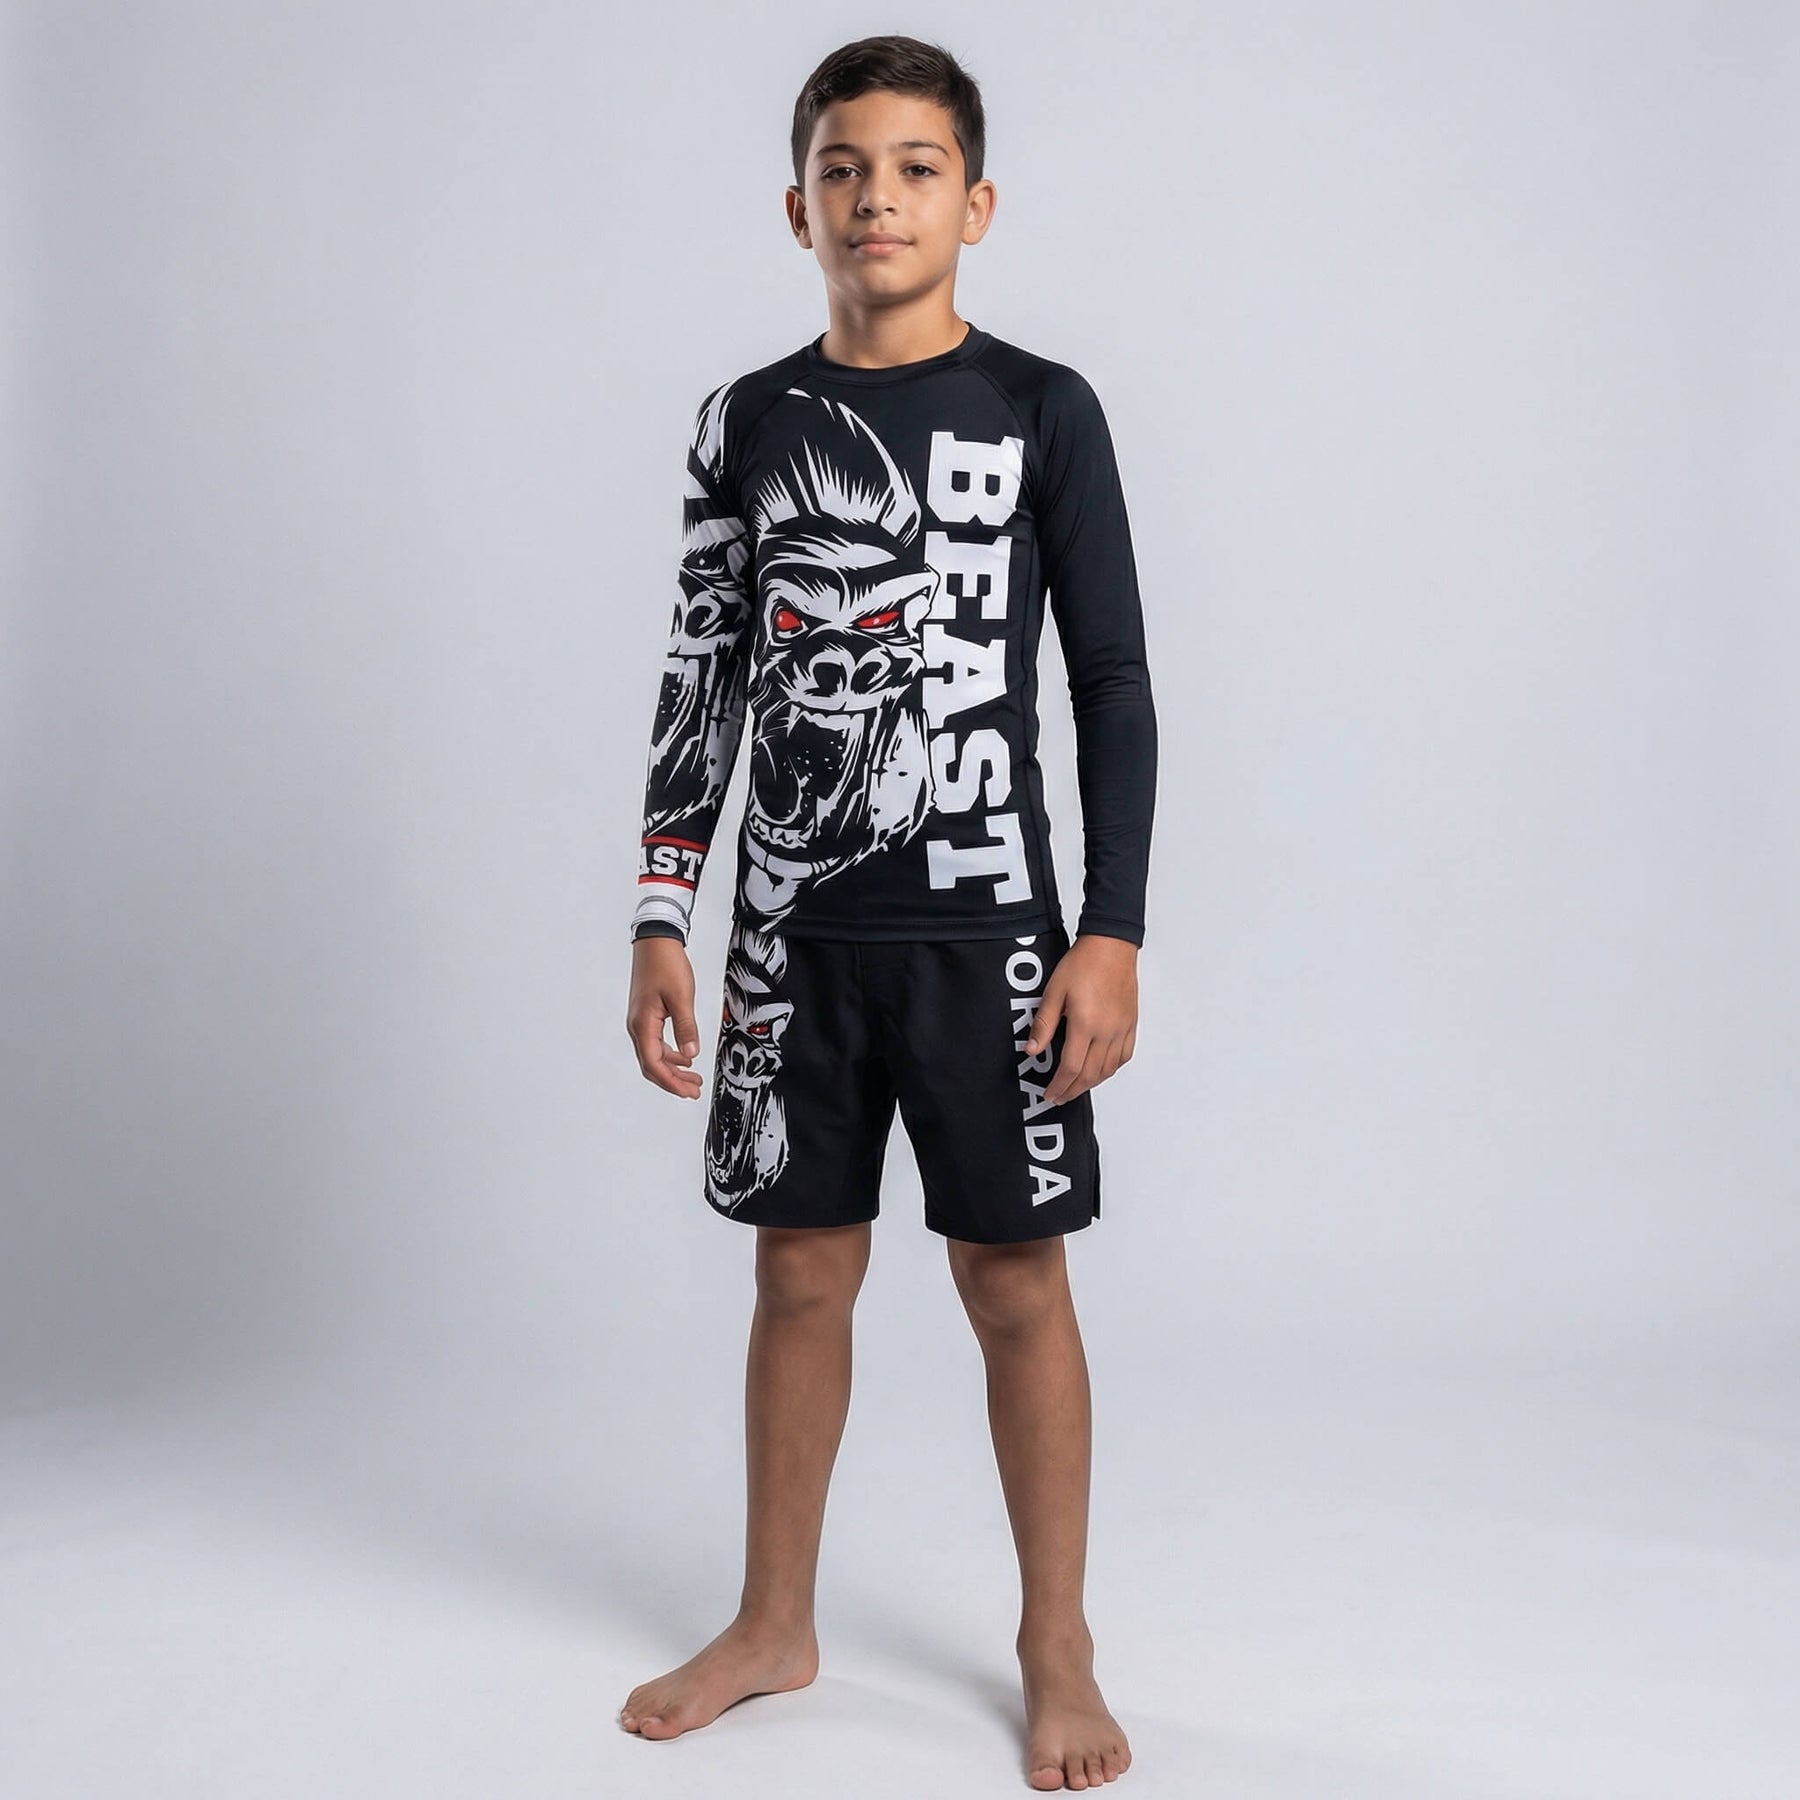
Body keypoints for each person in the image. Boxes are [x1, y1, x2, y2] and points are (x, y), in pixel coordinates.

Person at [620, 33, 1155, 1793]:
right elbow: (705, 674)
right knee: (798, 1274)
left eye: (917, 168)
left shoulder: (1043, 409)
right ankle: (775, 1620)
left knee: (1015, 1281)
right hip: (790, 941)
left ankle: (1056, 1641)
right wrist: (662, 913)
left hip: (990, 933)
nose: (878, 199)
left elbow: (1113, 684)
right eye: (843, 168)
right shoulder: (744, 421)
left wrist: (1111, 929)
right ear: (799, 208)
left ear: (976, 204)